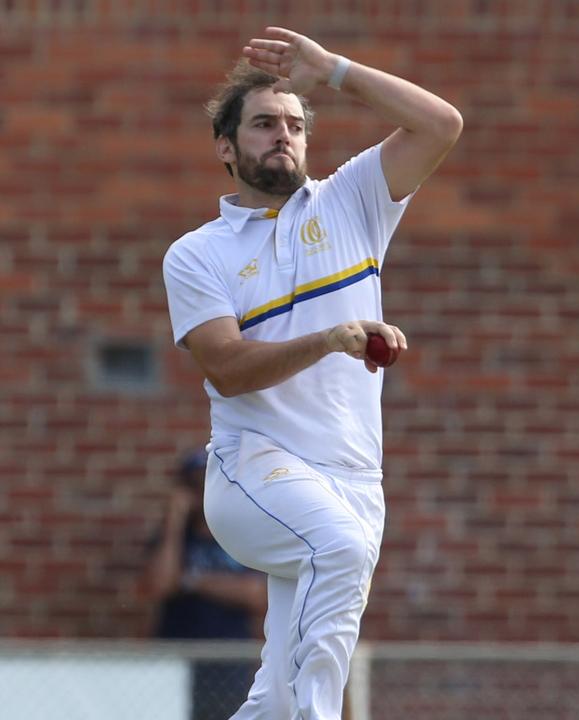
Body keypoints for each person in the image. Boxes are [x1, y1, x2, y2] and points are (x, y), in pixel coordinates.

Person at [161, 27, 462, 720]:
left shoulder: (351, 201)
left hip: (356, 477)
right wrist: (330, 337)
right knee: (338, 548)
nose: (284, 136)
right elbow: (230, 370)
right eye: (264, 124)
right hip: (252, 469)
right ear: (226, 148)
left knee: (281, 686)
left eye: (295, 125)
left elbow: (442, 123)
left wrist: (332, 70)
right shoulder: (196, 255)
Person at [145, 449, 267, 720]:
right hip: (173, 658)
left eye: (209, 482)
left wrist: (192, 580)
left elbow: (256, 594)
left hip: (226, 662)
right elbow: (161, 584)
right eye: (194, 485)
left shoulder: (242, 535)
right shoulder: (175, 538)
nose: (202, 492)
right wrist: (174, 522)